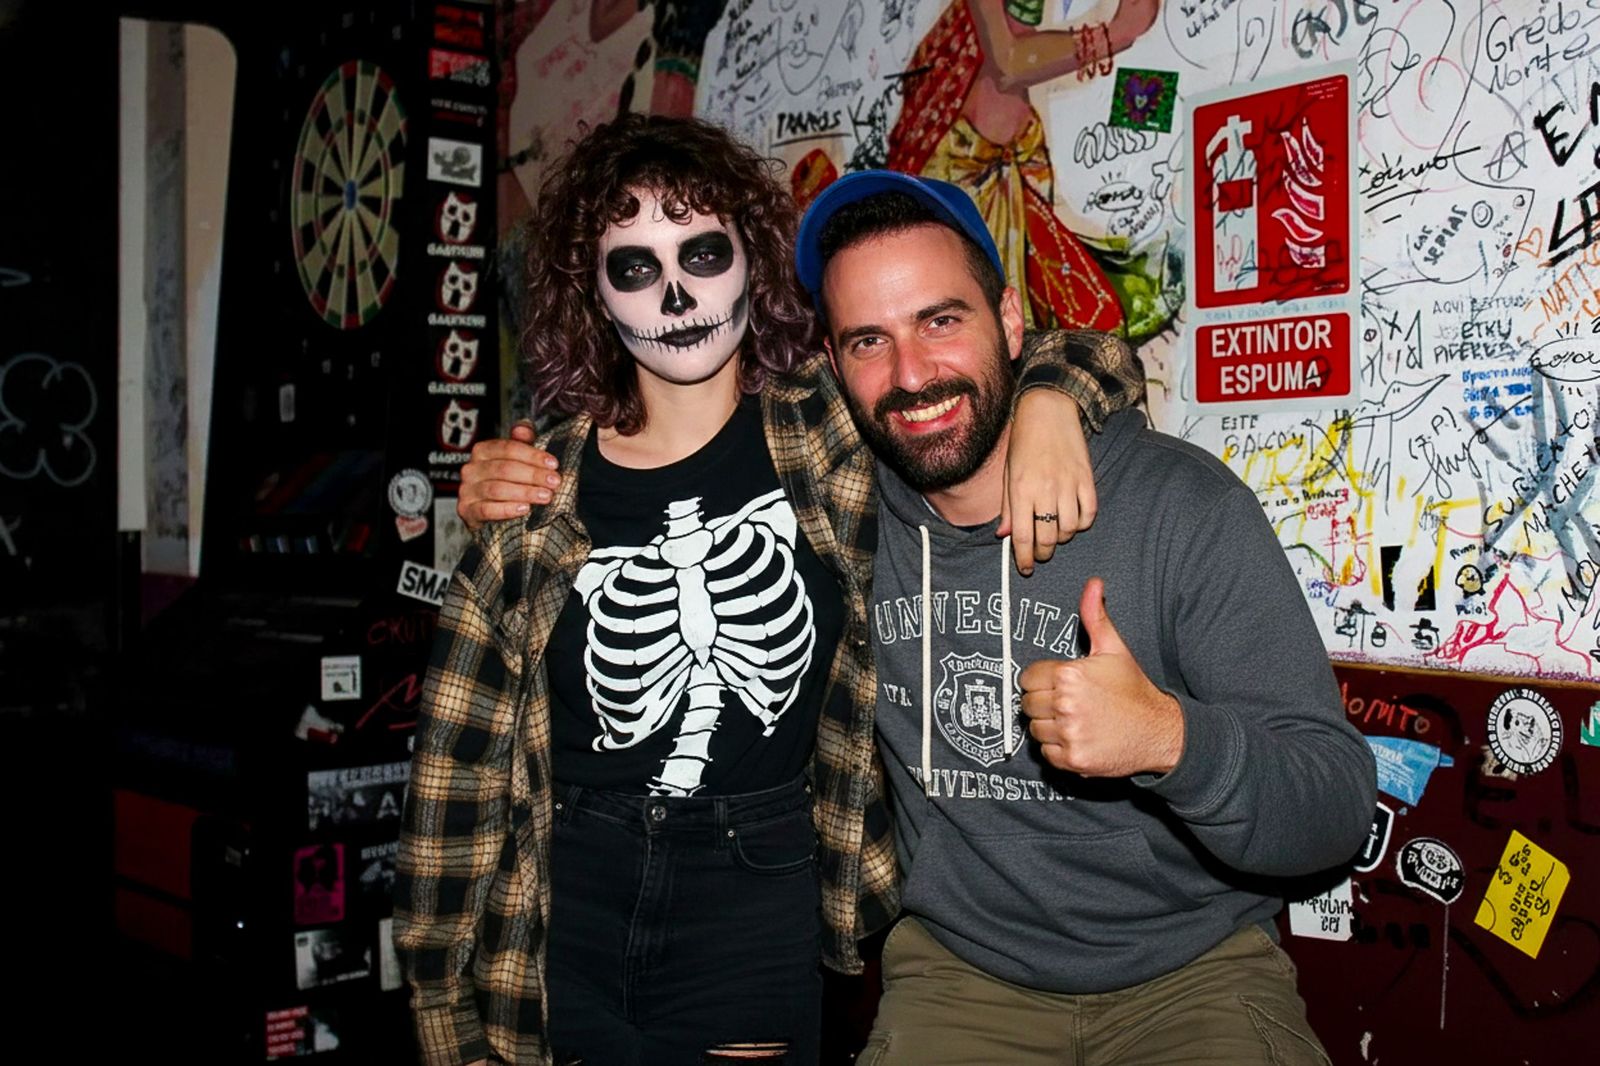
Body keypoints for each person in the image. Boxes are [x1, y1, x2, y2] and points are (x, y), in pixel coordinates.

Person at [395, 115, 1143, 1066]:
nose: (674, 295)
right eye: (634, 267)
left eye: (702, 253)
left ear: (753, 262)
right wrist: (437, 1001)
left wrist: (1048, 402)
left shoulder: (827, 430)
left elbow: (1080, 351)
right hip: (565, 880)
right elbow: (456, 771)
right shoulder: (538, 490)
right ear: (592, 291)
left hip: (754, 879)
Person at [788, 172, 1377, 1064]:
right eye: (869, 340)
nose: (910, 375)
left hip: (1195, 971)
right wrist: (503, 483)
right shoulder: (839, 516)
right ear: (835, 366)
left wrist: (1170, 740)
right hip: (959, 977)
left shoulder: (1178, 507)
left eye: (941, 320)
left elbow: (1334, 803)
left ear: (1013, 324)